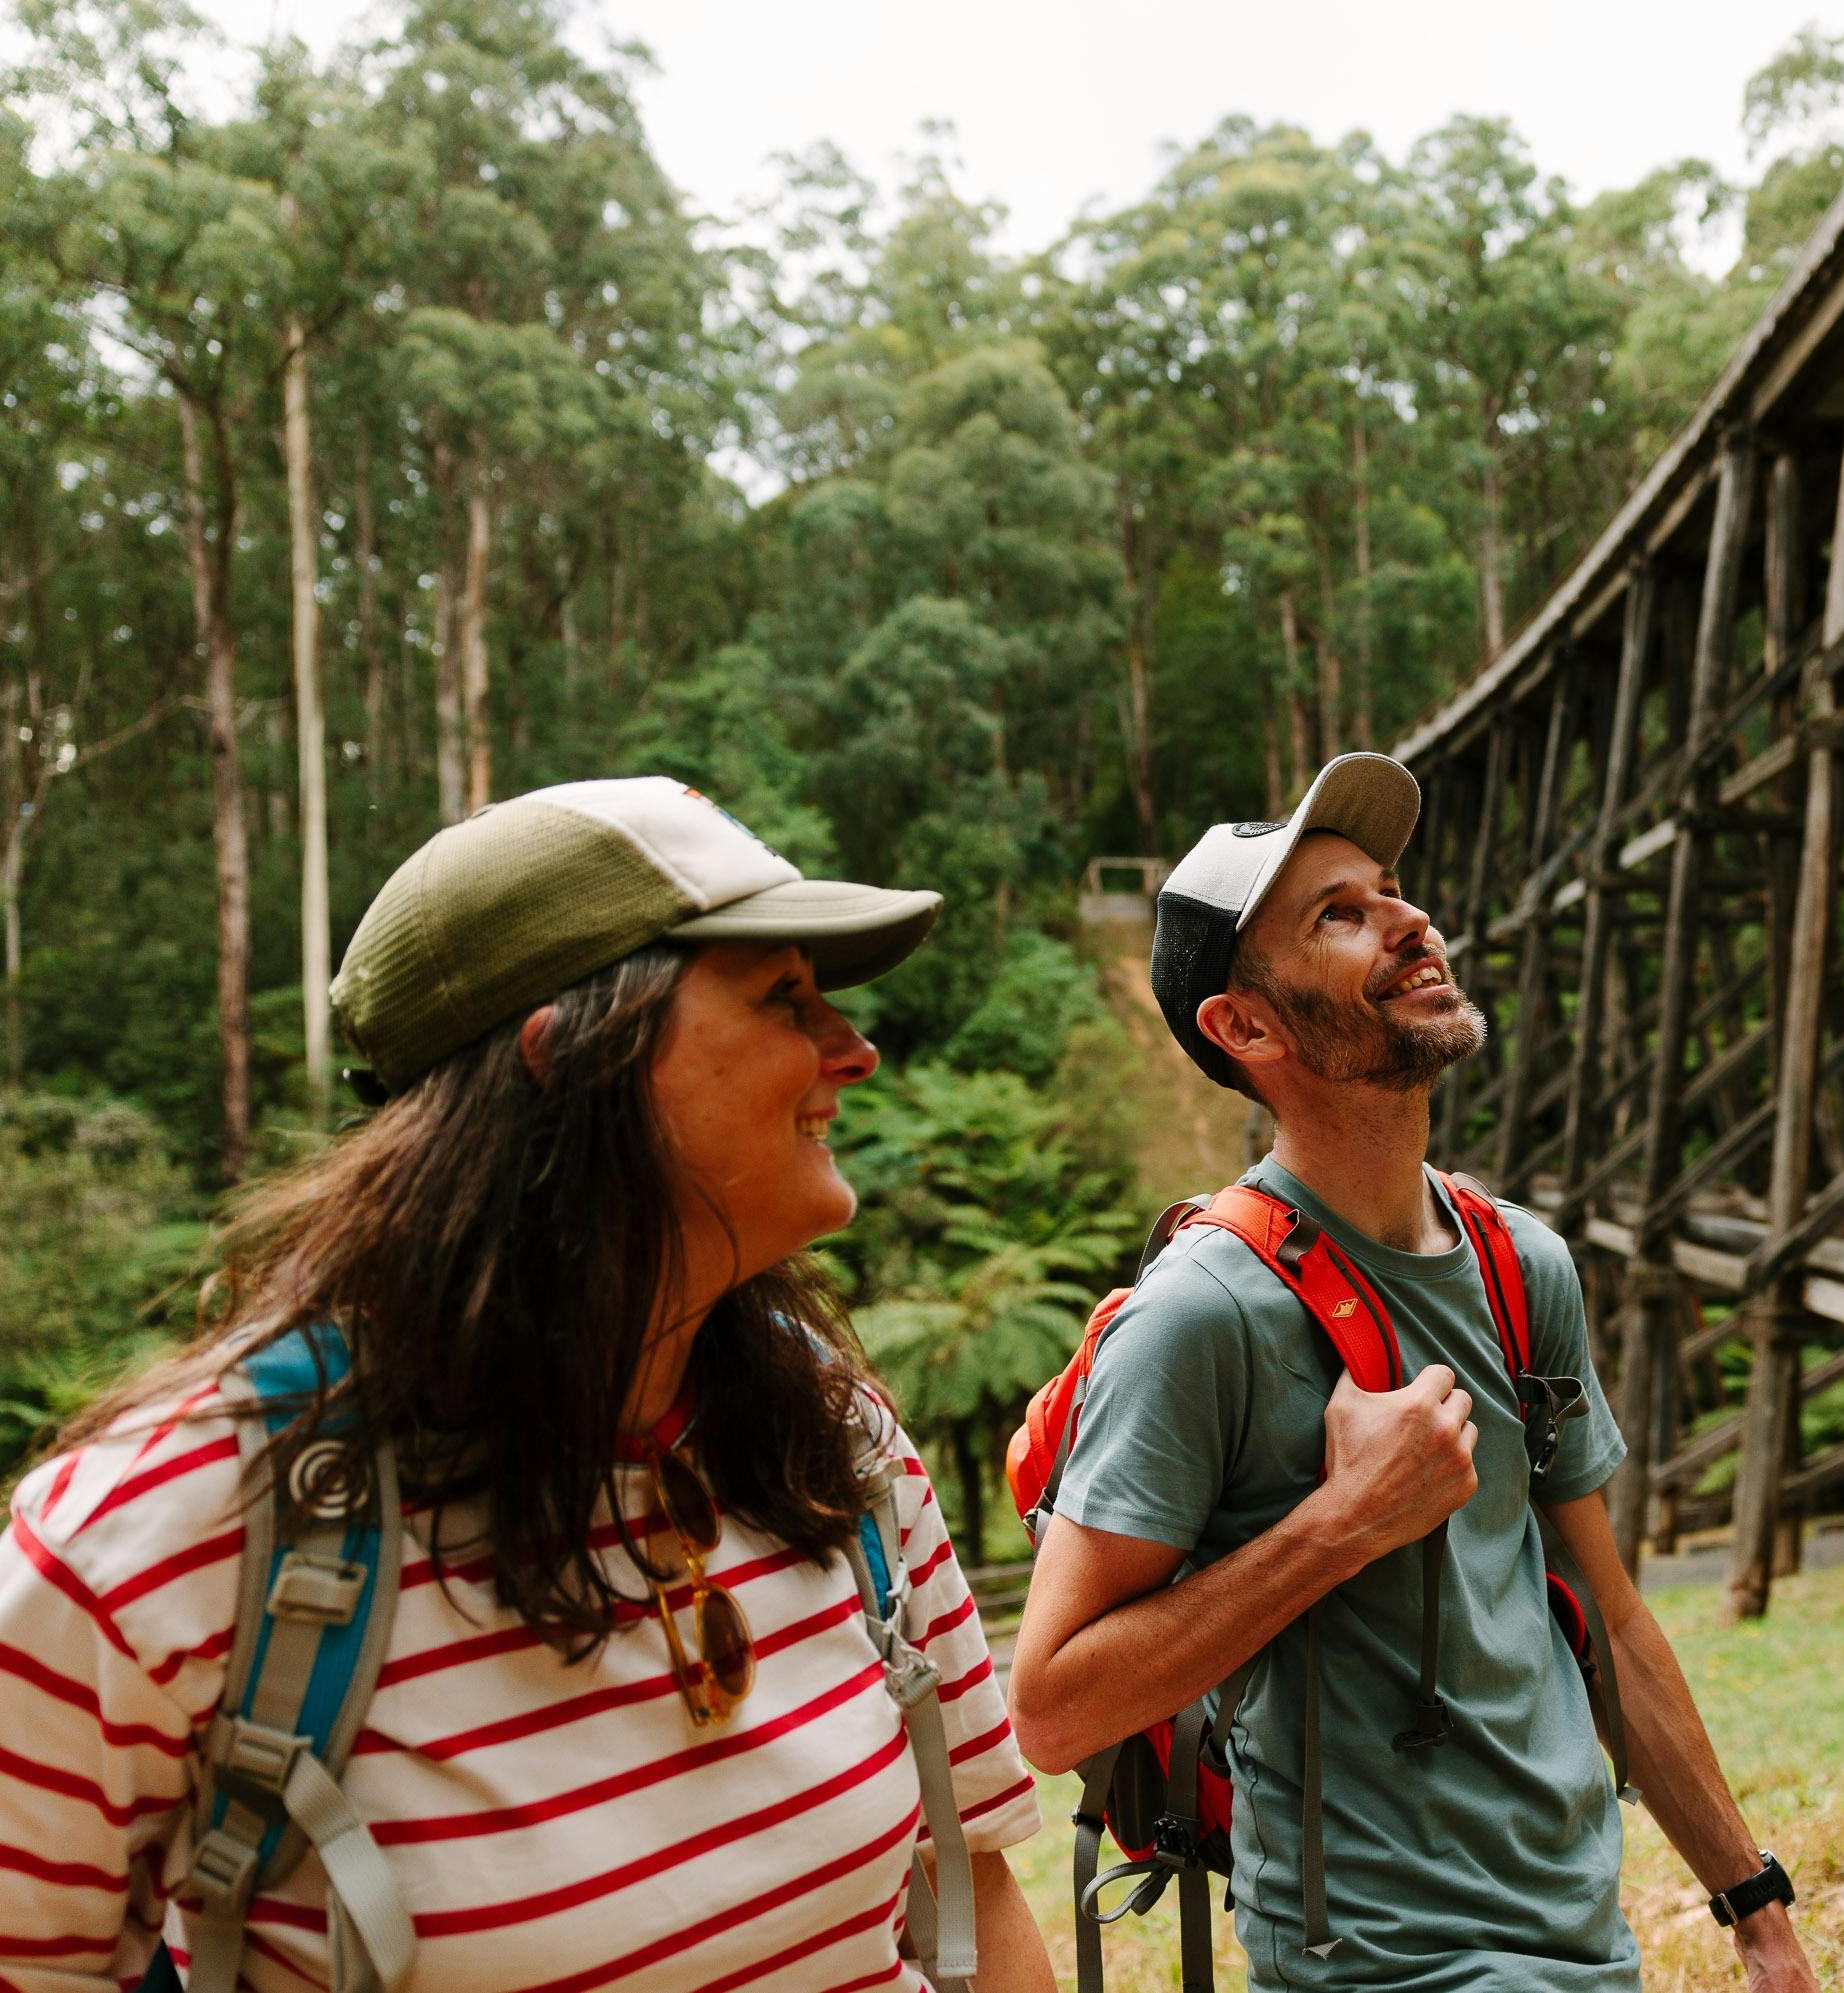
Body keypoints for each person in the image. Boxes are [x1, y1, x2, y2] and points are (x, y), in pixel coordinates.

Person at [0, 777, 1054, 1992]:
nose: (853, 1052)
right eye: (784, 996)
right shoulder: (175, 1535)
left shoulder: (840, 1443)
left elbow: (968, 1878)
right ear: (569, 1062)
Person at [1009, 753, 1820, 1992]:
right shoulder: (1202, 1314)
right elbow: (1053, 1708)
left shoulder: (1518, 1263)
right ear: (1247, 1027)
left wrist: (1756, 1913)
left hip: (1587, 1944)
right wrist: (1343, 1524)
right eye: (1341, 914)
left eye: (1392, 890)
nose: (1410, 920)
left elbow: (1606, 1622)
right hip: (1370, 1966)